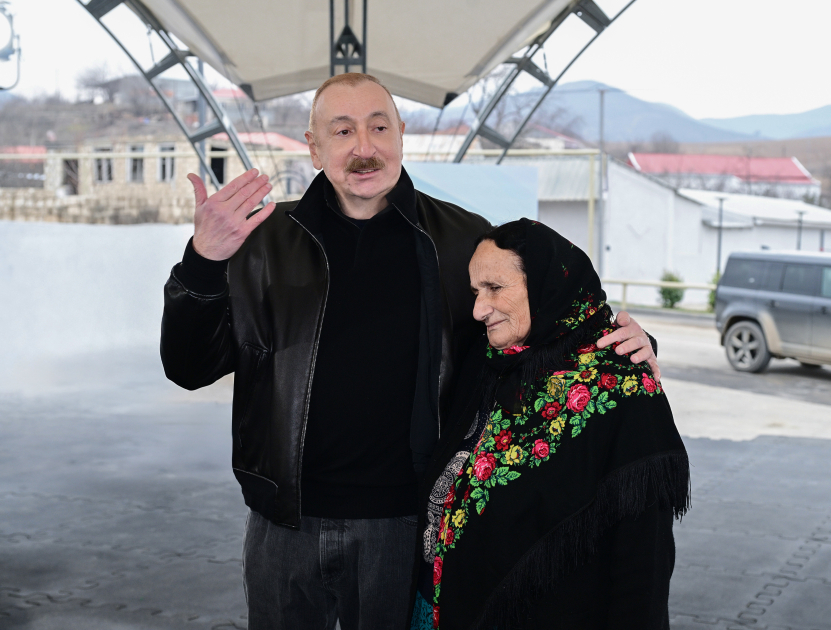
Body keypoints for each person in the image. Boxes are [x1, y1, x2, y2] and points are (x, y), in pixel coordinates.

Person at [160, 73, 660, 630]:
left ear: (401, 134)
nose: (364, 147)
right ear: (314, 147)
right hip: (283, 524)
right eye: (342, 131)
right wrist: (202, 262)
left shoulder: (461, 239)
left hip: (405, 524)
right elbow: (189, 368)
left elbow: (538, 326)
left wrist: (621, 345)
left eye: (379, 128)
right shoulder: (262, 241)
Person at [412, 219, 689, 630]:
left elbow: (642, 565)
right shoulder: (491, 361)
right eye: (475, 292)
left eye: (495, 288)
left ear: (547, 286)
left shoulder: (622, 391)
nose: (478, 309)